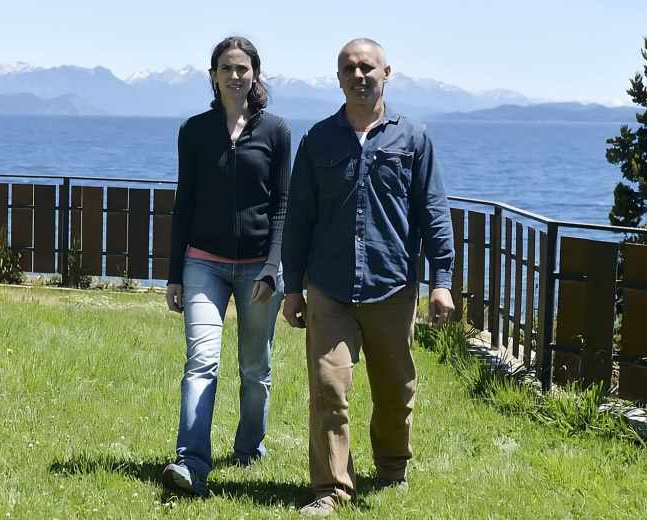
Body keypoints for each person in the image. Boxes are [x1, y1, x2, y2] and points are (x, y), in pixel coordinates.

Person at [281, 38, 455, 516]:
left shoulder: (413, 138)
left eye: (367, 67)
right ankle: (331, 489)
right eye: (348, 68)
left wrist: (442, 280)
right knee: (329, 389)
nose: (359, 75)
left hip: (392, 286)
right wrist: (291, 286)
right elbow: (299, 218)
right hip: (329, 287)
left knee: (395, 392)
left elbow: (433, 213)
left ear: (387, 73)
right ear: (338, 78)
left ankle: (392, 467)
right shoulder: (318, 140)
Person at [161, 36, 291, 497]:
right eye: (226, 68)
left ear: (255, 74)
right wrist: (175, 274)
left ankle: (249, 449)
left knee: (256, 368)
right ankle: (191, 462)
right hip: (203, 265)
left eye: (243, 68)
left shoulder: (276, 131)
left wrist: (273, 268)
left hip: (260, 268)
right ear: (213, 75)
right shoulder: (194, 131)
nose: (235, 75)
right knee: (202, 362)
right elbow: (184, 203)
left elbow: (281, 206)